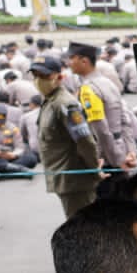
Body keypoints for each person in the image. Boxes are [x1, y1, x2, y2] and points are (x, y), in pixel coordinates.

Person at [30, 55, 101, 218]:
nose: (38, 80)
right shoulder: (50, 100)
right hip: (64, 179)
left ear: (59, 77)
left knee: (83, 229)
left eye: (44, 76)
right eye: (35, 76)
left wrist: (94, 169)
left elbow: (85, 141)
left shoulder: (65, 104)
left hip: (75, 180)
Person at [64, 41, 135, 172]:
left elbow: (100, 129)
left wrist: (117, 161)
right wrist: (130, 150)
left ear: (84, 61)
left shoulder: (88, 89)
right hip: (121, 148)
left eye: (71, 59)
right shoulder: (107, 82)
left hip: (106, 156)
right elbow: (125, 118)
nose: (68, 63)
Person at [0, 104, 36, 178]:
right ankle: (19, 170)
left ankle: (2, 174)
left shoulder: (12, 128)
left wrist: (13, 155)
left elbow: (19, 146)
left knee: (31, 158)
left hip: (10, 157)